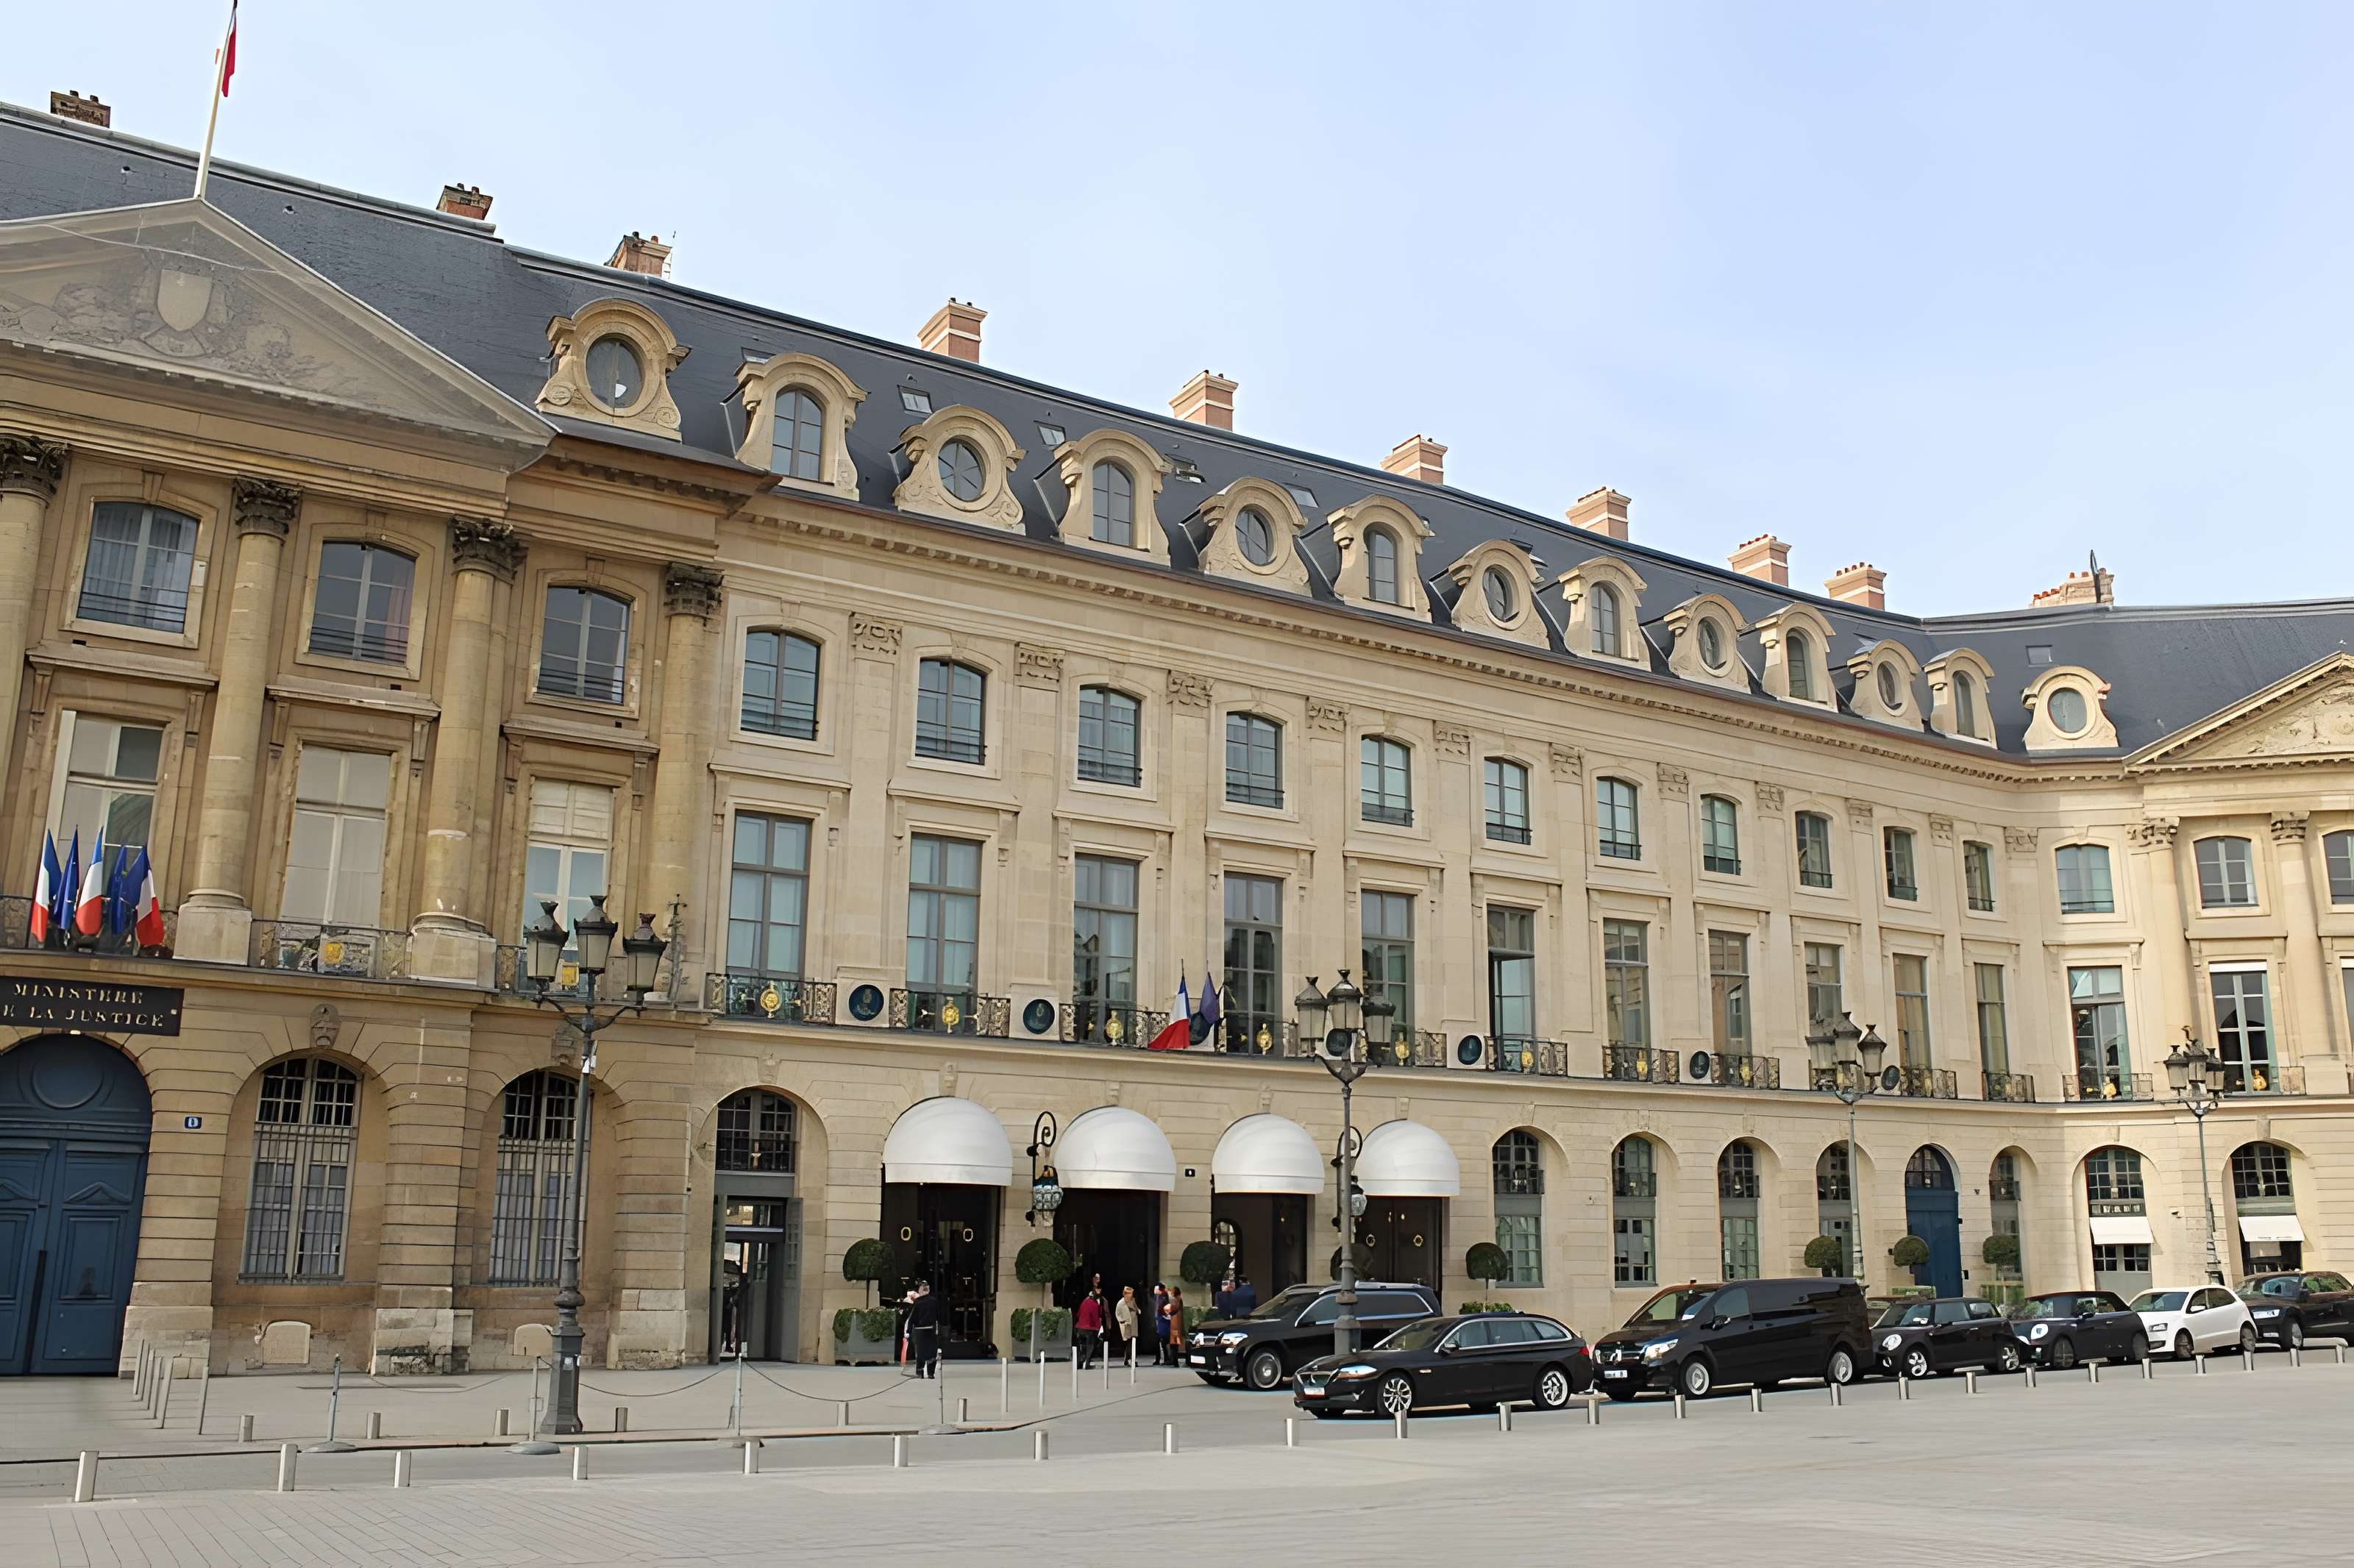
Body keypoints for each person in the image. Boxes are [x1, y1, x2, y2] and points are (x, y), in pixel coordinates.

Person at [903, 1280, 942, 1378]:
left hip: (920, 1330)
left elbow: (912, 1318)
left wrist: (908, 1331)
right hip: (931, 1329)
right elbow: (939, 1316)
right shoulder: (934, 1301)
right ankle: (931, 1373)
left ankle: (920, 1371)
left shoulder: (917, 1303)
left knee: (920, 1352)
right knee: (932, 1351)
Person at [1074, 1285, 1104, 1370]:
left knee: (1081, 1346)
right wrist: (1099, 1329)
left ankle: (1079, 1363)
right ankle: (1087, 1364)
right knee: (1090, 1346)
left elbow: (1078, 1314)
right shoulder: (1096, 1305)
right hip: (1090, 1329)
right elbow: (1097, 1318)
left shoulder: (1084, 1302)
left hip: (1080, 1328)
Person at [1114, 1285, 1140, 1364]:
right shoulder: (1121, 1303)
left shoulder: (1133, 1301)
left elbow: (1137, 1308)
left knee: (1132, 1342)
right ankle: (1130, 1359)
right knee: (1129, 1342)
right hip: (1126, 1325)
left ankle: (1129, 1359)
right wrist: (1122, 1321)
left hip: (1134, 1324)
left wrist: (1138, 1311)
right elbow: (1117, 1314)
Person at [1162, 1286, 1185, 1364]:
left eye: (1173, 1291)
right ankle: (1173, 1360)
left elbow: (1174, 1308)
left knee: (1174, 1344)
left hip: (1175, 1324)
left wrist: (1168, 1308)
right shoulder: (1178, 1299)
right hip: (1176, 1323)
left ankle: (1174, 1360)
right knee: (1174, 1344)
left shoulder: (1177, 1300)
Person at [1149, 1283, 1170, 1365]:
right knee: (1156, 1342)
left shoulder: (1164, 1298)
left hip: (1162, 1322)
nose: (1155, 1290)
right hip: (1155, 1323)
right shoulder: (1155, 1298)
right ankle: (1157, 1359)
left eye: (1156, 1289)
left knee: (1164, 1342)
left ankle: (1167, 1359)